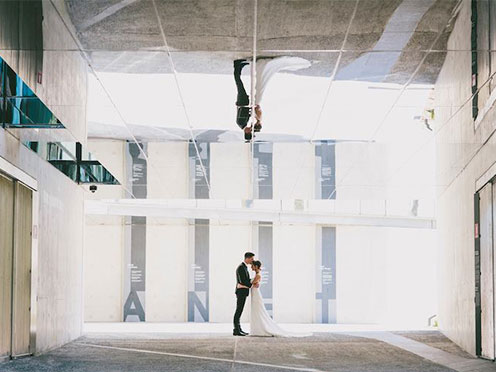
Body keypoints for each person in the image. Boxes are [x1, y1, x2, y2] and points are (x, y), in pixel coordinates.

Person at [237, 260, 312, 338]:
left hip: (256, 295)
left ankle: (260, 328)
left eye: (252, 265)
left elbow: (250, 285)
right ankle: (257, 328)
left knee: (258, 311)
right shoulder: (257, 274)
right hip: (254, 294)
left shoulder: (258, 275)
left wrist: (241, 286)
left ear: (256, 267)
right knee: (256, 311)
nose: (251, 267)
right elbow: (251, 283)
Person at [233, 252, 257, 336]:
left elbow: (245, 280)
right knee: (238, 310)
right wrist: (252, 285)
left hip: (243, 291)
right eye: (252, 259)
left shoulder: (244, 267)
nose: (252, 260)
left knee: (240, 310)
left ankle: (238, 329)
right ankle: (236, 330)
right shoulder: (241, 267)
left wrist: (252, 282)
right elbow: (243, 281)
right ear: (248, 258)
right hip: (241, 292)